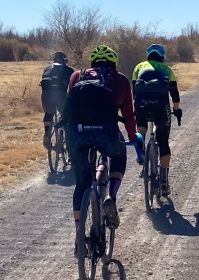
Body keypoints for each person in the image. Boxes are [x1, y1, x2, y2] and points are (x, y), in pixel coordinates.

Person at [62, 45, 141, 255]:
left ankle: (79, 234)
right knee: (119, 155)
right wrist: (133, 138)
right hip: (106, 133)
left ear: (92, 63)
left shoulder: (77, 76)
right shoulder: (121, 79)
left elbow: (70, 105)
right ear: (113, 62)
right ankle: (111, 197)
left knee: (81, 183)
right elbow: (128, 114)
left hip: (77, 133)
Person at [132, 43, 182, 197]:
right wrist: (176, 110)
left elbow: (134, 90)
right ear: (162, 56)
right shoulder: (167, 69)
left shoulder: (139, 66)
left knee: (141, 122)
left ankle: (140, 146)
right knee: (163, 142)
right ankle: (164, 181)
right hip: (161, 108)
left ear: (148, 55)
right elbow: (175, 95)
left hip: (141, 105)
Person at [39, 51, 74, 148]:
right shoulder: (69, 70)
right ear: (65, 60)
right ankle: (65, 140)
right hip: (61, 95)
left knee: (48, 114)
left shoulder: (47, 69)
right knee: (65, 116)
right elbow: (73, 86)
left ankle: (47, 133)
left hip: (46, 95)